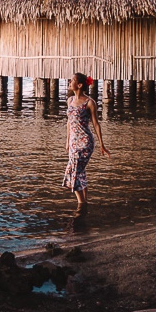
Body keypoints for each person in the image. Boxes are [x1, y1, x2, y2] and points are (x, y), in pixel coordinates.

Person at [63, 72, 110, 209]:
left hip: (85, 142)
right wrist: (67, 141)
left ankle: (81, 205)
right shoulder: (70, 100)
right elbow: (69, 122)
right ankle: (85, 202)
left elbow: (96, 124)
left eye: (72, 80)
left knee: (74, 171)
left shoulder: (90, 102)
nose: (69, 82)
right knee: (80, 171)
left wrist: (102, 144)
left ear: (79, 85)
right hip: (73, 141)